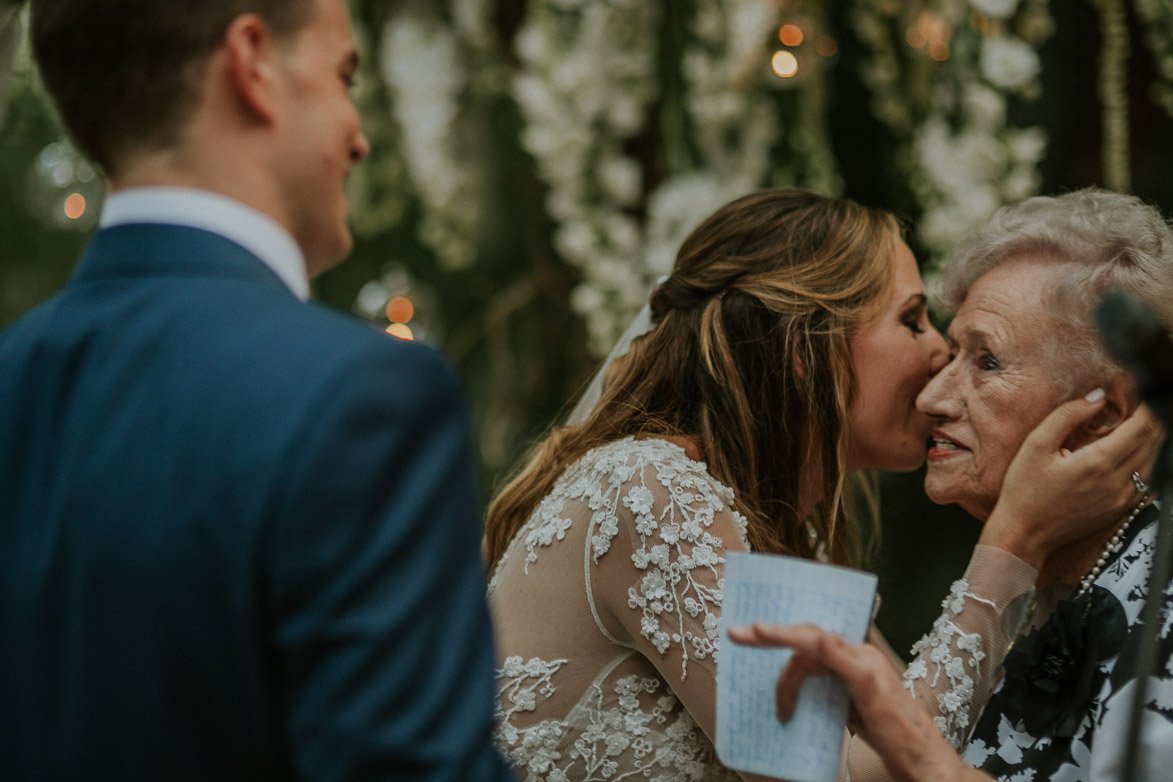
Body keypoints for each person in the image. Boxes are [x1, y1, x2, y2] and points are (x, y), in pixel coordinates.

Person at [482, 188, 1156, 781]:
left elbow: (888, 743)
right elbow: (833, 776)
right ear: (806, 350)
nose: (934, 356)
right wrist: (1014, 541)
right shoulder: (649, 489)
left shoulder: (782, 533)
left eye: (977, 357)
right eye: (912, 319)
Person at [0, 1, 512, 780]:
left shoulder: (14, 375)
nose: (360, 134)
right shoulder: (363, 397)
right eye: (344, 74)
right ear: (253, 62)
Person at [732, 188, 1173, 782]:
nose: (931, 397)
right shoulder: (1031, 599)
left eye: (987, 362)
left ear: (1104, 414)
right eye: (952, 354)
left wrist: (912, 746)